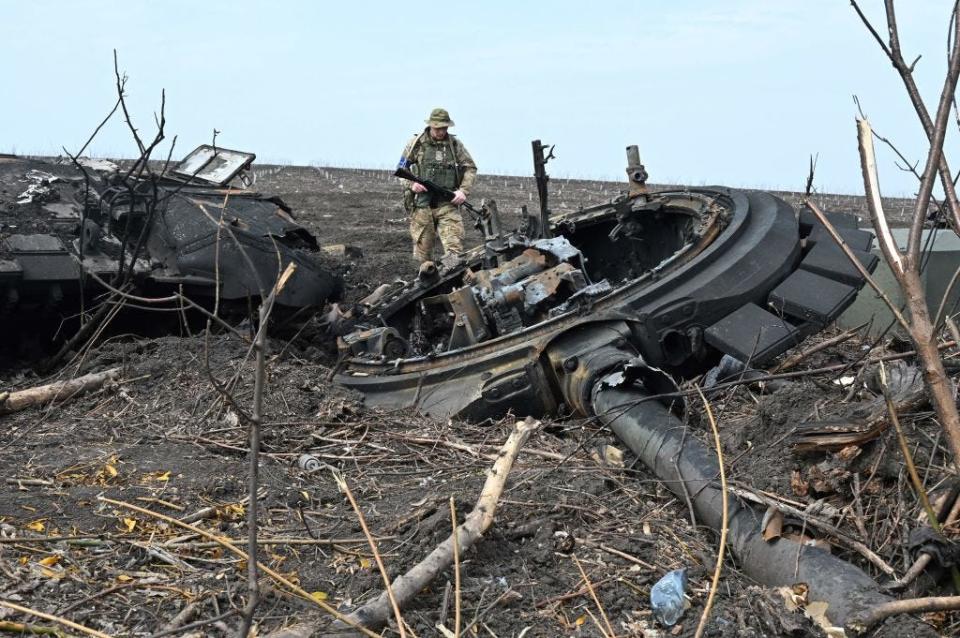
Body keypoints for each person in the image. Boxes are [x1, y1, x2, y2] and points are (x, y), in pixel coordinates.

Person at [398, 108, 477, 265]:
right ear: (431, 125)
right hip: (422, 206)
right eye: (438, 128)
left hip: (447, 204)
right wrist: (412, 184)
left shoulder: (454, 145)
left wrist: (463, 191)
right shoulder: (416, 144)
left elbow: (470, 168)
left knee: (454, 252)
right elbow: (401, 170)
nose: (441, 131)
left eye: (444, 128)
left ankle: (453, 283)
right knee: (423, 257)